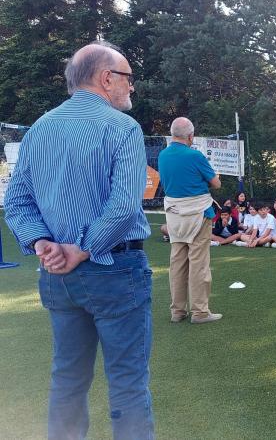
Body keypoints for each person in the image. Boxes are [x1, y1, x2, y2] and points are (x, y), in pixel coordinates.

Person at [3, 42, 155, 438]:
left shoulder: (39, 129)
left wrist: (43, 244)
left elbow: (16, 202)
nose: (131, 88)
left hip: (58, 278)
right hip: (116, 271)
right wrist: (82, 249)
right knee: (127, 383)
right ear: (107, 78)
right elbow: (123, 208)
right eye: (128, 78)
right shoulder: (123, 128)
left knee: (67, 379)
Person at [159, 116, 223, 326]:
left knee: (177, 262)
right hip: (198, 214)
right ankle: (200, 312)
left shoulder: (163, 155)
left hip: (174, 215)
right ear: (190, 136)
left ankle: (177, 311)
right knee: (198, 262)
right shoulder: (195, 156)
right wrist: (217, 175)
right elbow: (216, 184)